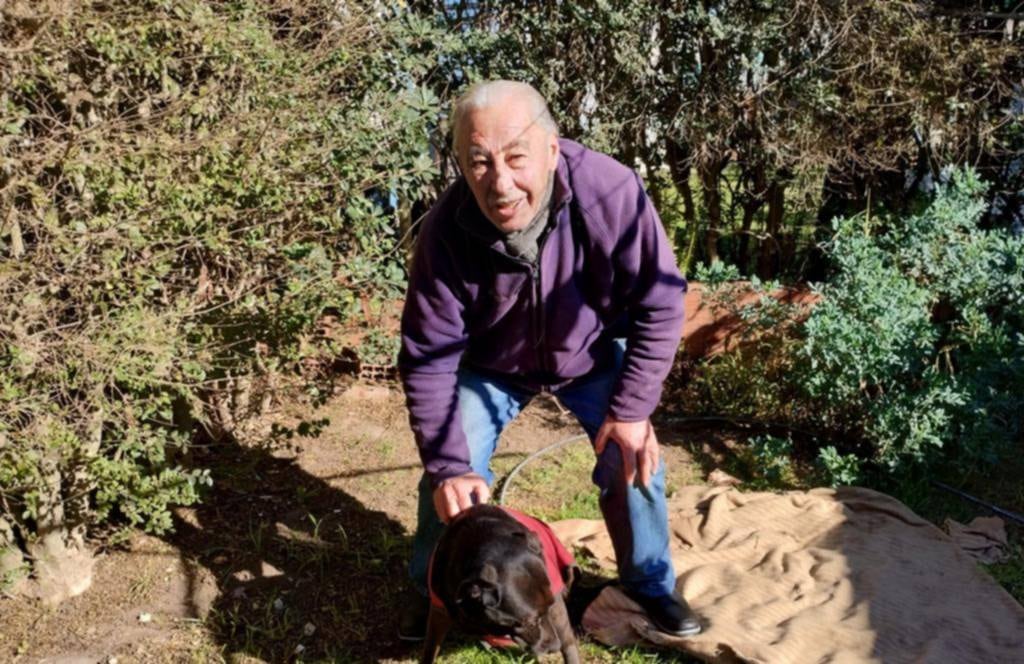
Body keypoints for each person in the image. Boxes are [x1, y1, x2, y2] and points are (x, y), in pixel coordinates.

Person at [397, 80, 700, 641]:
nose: (500, 183)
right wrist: (448, 465)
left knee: (633, 458)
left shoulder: (610, 193)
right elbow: (427, 356)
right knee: (448, 470)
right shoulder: (446, 228)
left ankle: (650, 587)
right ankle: (431, 589)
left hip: (588, 353)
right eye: (479, 162)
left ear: (553, 150)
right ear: (461, 165)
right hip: (490, 365)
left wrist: (632, 410)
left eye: (516, 158)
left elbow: (662, 301)